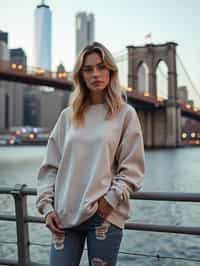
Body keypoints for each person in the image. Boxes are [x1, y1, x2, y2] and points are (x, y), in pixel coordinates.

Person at [36, 41, 145, 266]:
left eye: (101, 67)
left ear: (111, 72)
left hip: (104, 217)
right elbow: (50, 166)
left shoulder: (125, 114)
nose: (96, 73)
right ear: (81, 76)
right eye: (88, 69)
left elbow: (132, 168)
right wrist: (47, 208)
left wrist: (109, 201)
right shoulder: (68, 116)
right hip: (64, 216)